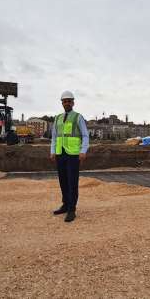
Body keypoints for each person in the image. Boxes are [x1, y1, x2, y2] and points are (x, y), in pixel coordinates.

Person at [50, 90, 89, 222]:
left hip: (73, 154)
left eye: (69, 101)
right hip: (60, 153)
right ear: (62, 103)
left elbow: (85, 135)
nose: (66, 103)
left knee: (72, 182)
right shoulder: (57, 118)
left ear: (73, 102)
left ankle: (72, 209)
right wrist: (53, 151)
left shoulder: (78, 117)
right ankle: (65, 205)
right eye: (64, 101)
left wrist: (83, 151)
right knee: (63, 181)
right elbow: (54, 136)